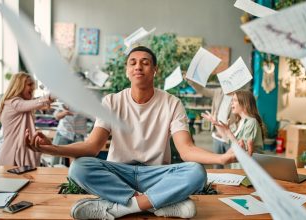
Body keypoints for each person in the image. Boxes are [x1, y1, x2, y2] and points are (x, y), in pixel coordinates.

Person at [25, 46, 246, 219]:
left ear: (155, 70)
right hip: (119, 173)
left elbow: (186, 151)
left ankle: (120, 208)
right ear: (127, 70)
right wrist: (52, 148)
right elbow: (92, 147)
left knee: (196, 172)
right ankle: (155, 205)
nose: (138, 66)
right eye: (133, 63)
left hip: (156, 175)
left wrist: (223, 158)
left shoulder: (172, 103)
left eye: (145, 63)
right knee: (79, 167)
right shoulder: (111, 101)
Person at [0, 72, 54, 167]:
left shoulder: (19, 103)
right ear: (19, 86)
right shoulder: (14, 103)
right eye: (29, 84)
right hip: (13, 156)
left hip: (18, 153)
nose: (33, 88)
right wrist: (56, 94)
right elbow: (38, 102)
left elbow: (37, 102)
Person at [186, 79, 240, 169]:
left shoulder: (238, 96)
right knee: (217, 164)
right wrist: (191, 81)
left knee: (234, 165)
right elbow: (203, 90)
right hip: (217, 136)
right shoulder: (218, 91)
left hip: (231, 136)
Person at [202, 90, 265, 156]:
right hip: (238, 165)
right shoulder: (237, 123)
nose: (231, 103)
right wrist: (215, 122)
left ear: (244, 103)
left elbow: (245, 149)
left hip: (248, 165)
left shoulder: (251, 122)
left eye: (234, 100)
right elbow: (227, 139)